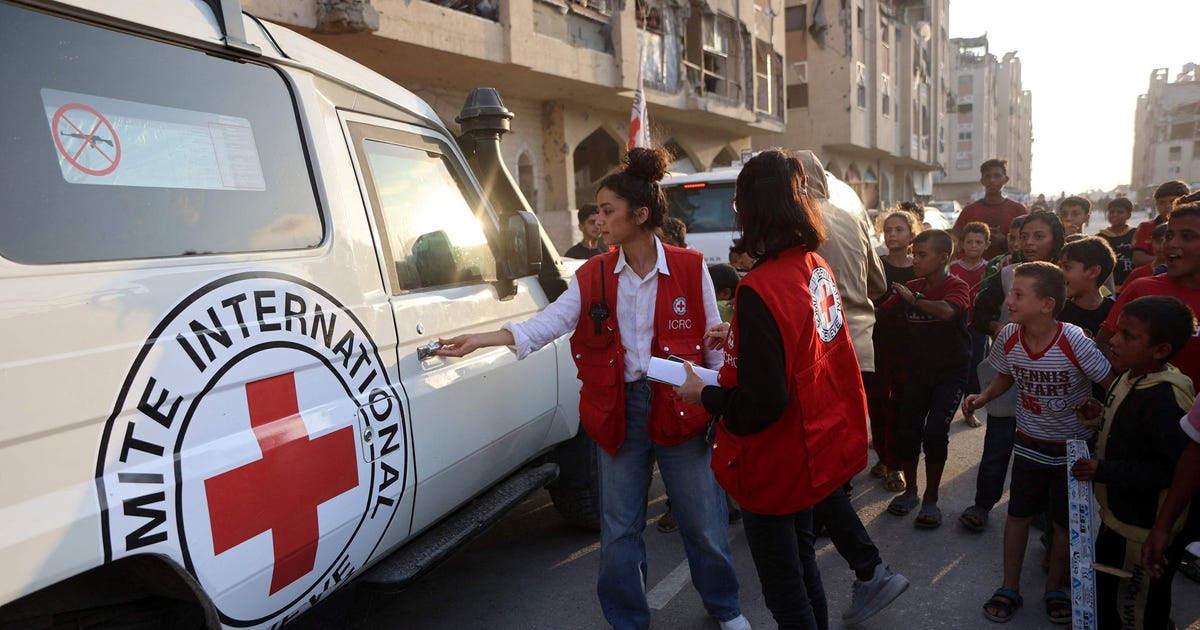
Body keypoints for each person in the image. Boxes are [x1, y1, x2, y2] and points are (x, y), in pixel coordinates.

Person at [435, 147, 748, 630]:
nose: (597, 220)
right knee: (620, 529)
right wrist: (483, 338)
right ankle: (627, 620)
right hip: (618, 411)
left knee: (702, 522)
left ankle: (726, 608)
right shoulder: (592, 274)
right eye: (596, 211)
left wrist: (715, 401)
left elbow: (710, 347)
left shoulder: (689, 267)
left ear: (639, 215)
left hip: (682, 410)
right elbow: (548, 325)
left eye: (607, 210)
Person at [676, 149, 900, 630]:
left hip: (775, 462)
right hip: (811, 446)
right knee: (802, 571)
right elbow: (797, 348)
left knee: (784, 588)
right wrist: (739, 335)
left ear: (751, 210)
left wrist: (703, 394)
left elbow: (761, 402)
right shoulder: (814, 264)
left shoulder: (760, 286)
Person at [962, 262, 1113, 624]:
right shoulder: (1010, 335)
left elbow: (1110, 382)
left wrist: (1099, 416)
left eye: (1018, 294)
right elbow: (1004, 373)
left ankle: (1055, 588)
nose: (1009, 301)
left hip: (1072, 450)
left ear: (1046, 304)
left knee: (1063, 524)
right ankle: (1009, 586)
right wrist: (984, 397)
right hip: (1028, 443)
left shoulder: (1073, 338)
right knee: (1017, 516)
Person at [796, 150, 909, 625]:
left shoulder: (794, 224)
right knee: (833, 455)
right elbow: (878, 281)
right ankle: (855, 558)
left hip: (813, 355)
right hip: (859, 345)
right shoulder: (849, 216)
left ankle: (853, 561)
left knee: (815, 458)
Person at [1071, 296, 1195, 630]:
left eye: (1128, 336)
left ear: (1160, 350)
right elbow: (1129, 431)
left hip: (1145, 527)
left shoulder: (1165, 398)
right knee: (1110, 588)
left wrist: (1103, 470)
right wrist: (1099, 417)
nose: (1113, 340)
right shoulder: (1130, 376)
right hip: (1120, 517)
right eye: (1118, 331)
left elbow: (1169, 469)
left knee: (1135, 605)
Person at [959, 213, 1066, 533]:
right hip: (1011, 371)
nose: (1030, 243)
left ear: (1057, 241)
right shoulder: (1007, 274)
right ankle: (982, 504)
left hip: (1054, 380)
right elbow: (980, 315)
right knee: (999, 440)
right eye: (1025, 235)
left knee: (1044, 449)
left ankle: (1037, 509)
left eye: (1040, 236)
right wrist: (1003, 328)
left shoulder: (1068, 276)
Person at [879, 230, 971, 528]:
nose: (914, 260)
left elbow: (947, 312)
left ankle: (931, 499)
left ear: (944, 258)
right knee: (907, 432)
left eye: (922, 255)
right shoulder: (911, 286)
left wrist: (914, 300)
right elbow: (879, 314)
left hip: (950, 374)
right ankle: (911, 492)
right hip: (916, 372)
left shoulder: (955, 286)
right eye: (914, 254)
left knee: (934, 434)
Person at [1100, 194, 1200, 388]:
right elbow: (1104, 343)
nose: (1171, 244)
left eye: (1187, 236)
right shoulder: (1142, 288)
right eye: (1169, 236)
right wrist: (1131, 384)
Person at [869, 211, 919, 493]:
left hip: (909, 345)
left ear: (911, 234)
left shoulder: (919, 266)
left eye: (899, 229)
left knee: (901, 405)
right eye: (888, 229)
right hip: (877, 341)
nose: (892, 234)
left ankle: (895, 462)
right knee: (877, 404)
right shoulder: (876, 265)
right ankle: (885, 459)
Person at [950, 222, 991, 427]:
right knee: (952, 367)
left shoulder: (991, 270)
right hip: (954, 327)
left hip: (978, 328)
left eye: (978, 242)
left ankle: (969, 410)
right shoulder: (952, 268)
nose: (973, 245)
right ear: (961, 244)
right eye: (969, 241)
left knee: (975, 369)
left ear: (987, 244)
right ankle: (947, 408)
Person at [952, 158, 1029, 259]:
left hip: (1008, 268)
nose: (992, 180)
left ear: (1006, 179)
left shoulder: (1018, 209)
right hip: (973, 271)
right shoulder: (969, 210)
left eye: (997, 176)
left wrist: (1004, 241)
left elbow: (1028, 242)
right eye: (988, 176)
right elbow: (956, 241)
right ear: (982, 181)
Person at [1057, 236, 1116, 339]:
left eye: (1067, 267)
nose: (1059, 273)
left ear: (1093, 271)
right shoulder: (1056, 312)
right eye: (1059, 267)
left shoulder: (1115, 313)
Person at [1132, 180, 1190, 267]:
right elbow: (1138, 259)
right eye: (1162, 202)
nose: (1167, 206)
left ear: (1186, 203)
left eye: (1172, 201)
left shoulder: (1194, 227)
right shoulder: (1145, 227)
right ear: (1156, 205)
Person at [1098, 197, 1137, 290]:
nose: (1115, 215)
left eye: (1120, 212)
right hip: (1109, 288)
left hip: (1132, 286)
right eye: (1111, 212)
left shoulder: (1135, 233)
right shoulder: (1100, 237)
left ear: (1129, 215)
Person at [1123, 222, 1168, 287]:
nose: (1161, 246)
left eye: (1166, 242)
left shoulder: (1183, 274)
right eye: (1159, 241)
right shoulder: (1138, 274)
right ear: (1151, 242)